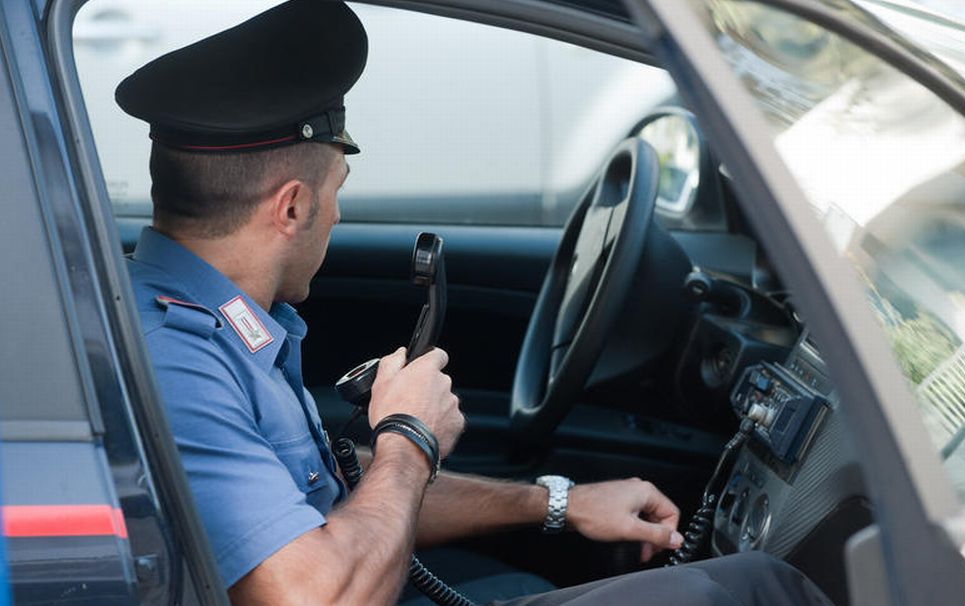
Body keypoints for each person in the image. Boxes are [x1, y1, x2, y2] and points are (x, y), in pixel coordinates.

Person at [118, 1, 834, 604]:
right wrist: (407, 434)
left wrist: (557, 503)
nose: (337, 216)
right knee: (756, 590)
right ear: (293, 207)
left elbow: (332, 509)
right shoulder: (177, 360)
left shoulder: (223, 323)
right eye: (336, 191)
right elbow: (316, 593)